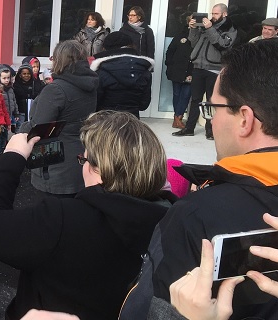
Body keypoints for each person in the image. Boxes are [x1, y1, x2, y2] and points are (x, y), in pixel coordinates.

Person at [119, 39, 278, 319]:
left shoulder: (196, 215)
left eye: (213, 108)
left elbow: (140, 310)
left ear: (245, 119)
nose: (212, 121)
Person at [0, 110, 174, 320]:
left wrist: (12, 156)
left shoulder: (63, 219)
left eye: (83, 159)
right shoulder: (174, 221)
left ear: (98, 168)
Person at [19, 40, 98, 197]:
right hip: (82, 154)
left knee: (53, 213)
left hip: (55, 161)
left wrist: (20, 131)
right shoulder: (91, 85)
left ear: (60, 60)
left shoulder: (56, 90)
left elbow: (39, 127)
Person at [173, 3, 237, 140]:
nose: (213, 16)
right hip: (198, 67)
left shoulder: (230, 29)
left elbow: (222, 44)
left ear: (224, 14)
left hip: (214, 69)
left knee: (211, 101)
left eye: (216, 14)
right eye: (212, 13)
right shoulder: (206, 26)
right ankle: (189, 129)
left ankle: (210, 131)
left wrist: (209, 28)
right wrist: (193, 28)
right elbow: (193, 42)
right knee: (195, 99)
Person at [91, 32, 154, 118]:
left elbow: (95, 103)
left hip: (105, 123)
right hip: (132, 122)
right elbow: (144, 104)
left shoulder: (101, 71)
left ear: (106, 48)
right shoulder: (144, 70)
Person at [165, 13, 194, 129]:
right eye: (191, 20)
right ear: (187, 22)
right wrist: (170, 65)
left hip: (191, 71)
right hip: (176, 70)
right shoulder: (179, 35)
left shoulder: (202, 35)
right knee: (177, 94)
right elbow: (170, 51)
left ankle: (178, 118)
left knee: (186, 95)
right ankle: (177, 118)